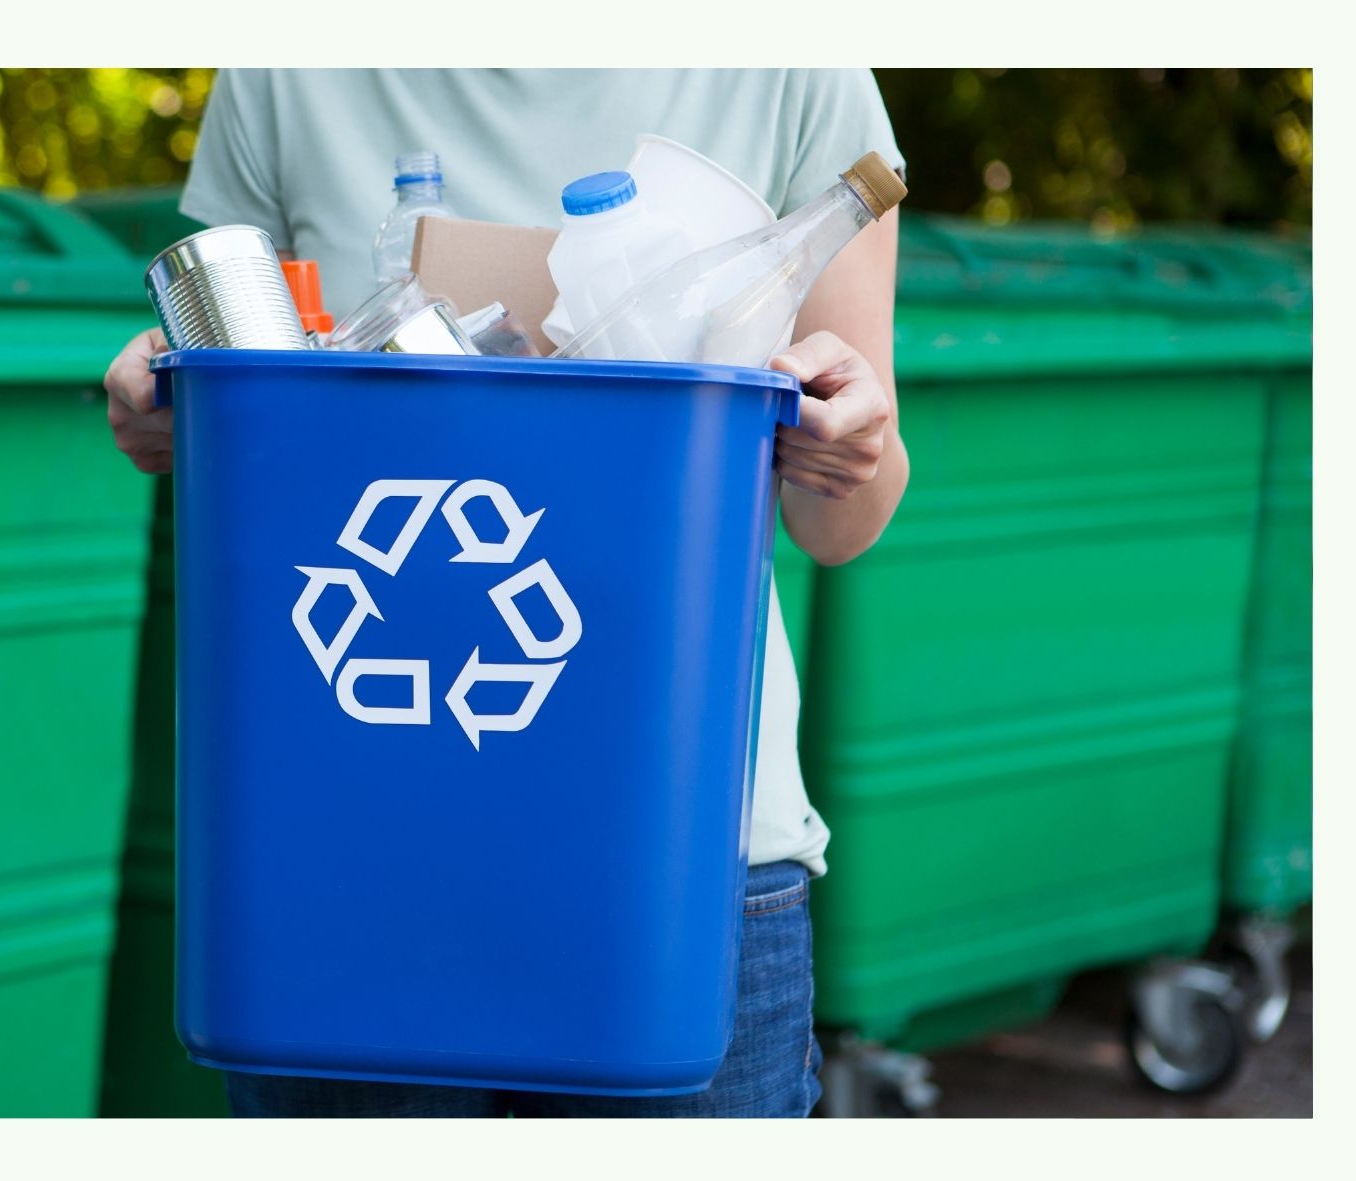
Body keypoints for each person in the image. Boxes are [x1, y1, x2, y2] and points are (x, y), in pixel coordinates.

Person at [103, 68, 908, 1119]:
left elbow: (838, 520)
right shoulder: (287, 66)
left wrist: (854, 443)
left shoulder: (788, 65)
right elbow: (229, 363)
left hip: (679, 850)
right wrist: (164, 395)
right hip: (340, 848)